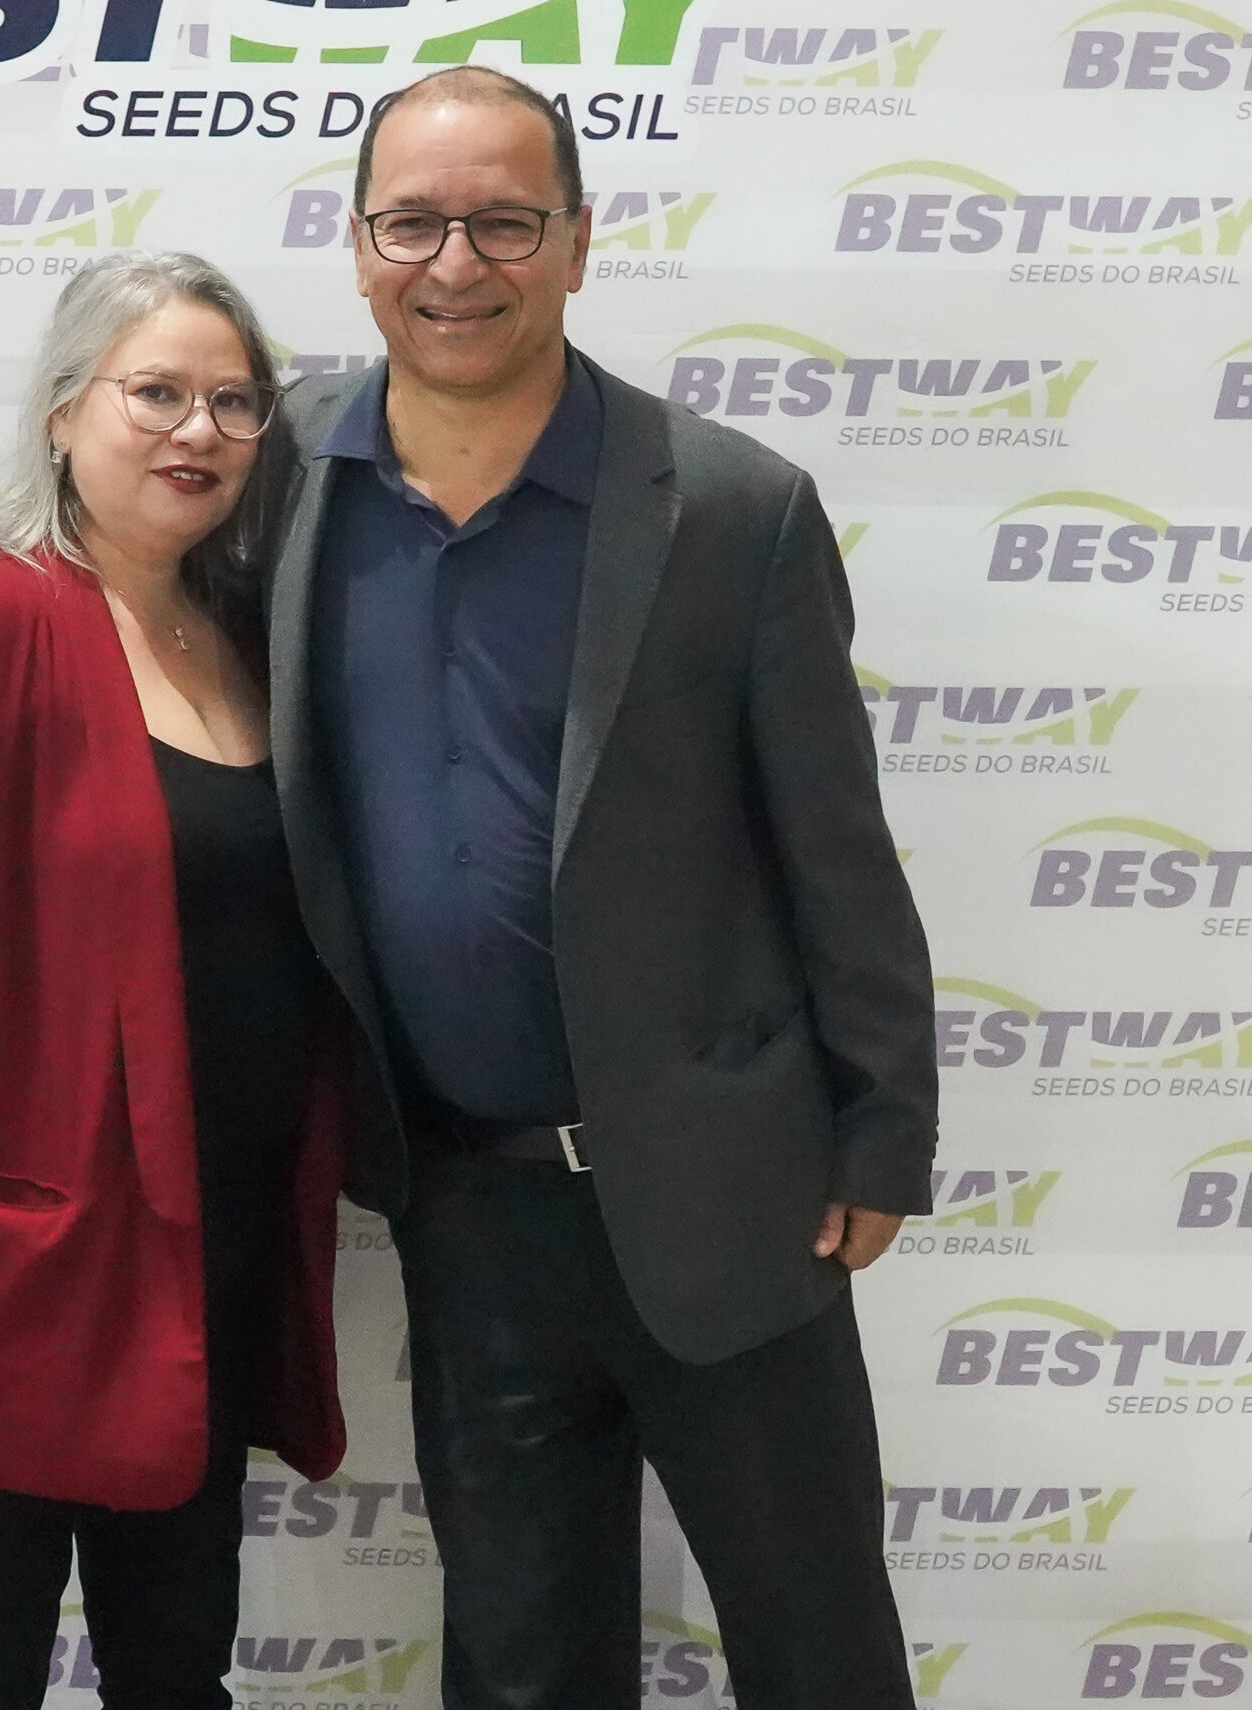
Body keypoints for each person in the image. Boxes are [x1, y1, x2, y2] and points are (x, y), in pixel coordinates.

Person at [267, 68, 939, 1709]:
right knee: (521, 1665)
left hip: (733, 1190)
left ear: (579, 242)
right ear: (356, 244)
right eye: (413, 223)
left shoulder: (731, 508)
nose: (456, 264)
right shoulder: (277, 480)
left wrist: (880, 1128)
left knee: (818, 1649)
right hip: (466, 1202)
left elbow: (836, 847)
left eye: (506, 222)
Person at [0, 250, 346, 1710]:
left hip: (212, 1250)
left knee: (179, 1669)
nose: (199, 429)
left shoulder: (246, 644)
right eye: (156, 392)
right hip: (17, 1265)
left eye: (235, 401)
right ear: (61, 411)